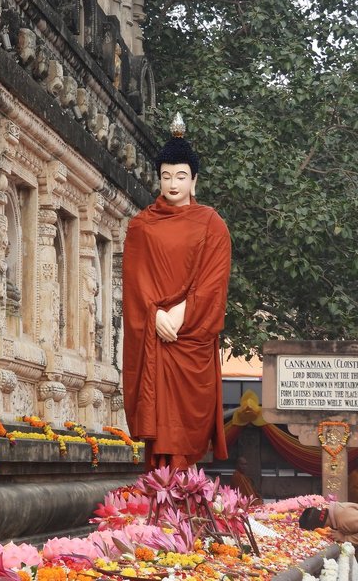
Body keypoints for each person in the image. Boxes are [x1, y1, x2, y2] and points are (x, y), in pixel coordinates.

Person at [122, 113, 231, 471]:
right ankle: (161, 507)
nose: (173, 183)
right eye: (166, 176)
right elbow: (135, 282)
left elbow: (213, 281)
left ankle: (181, 505)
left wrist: (180, 313)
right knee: (160, 437)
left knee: (186, 431)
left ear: (194, 181)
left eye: (181, 176)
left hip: (190, 336)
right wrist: (153, 315)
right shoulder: (142, 226)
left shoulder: (212, 225)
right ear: (159, 178)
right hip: (155, 338)